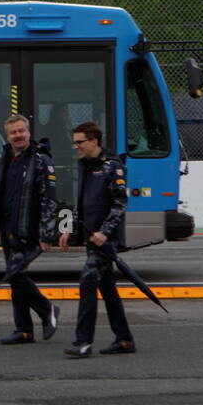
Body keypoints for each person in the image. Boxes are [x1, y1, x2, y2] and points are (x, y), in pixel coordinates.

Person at [59, 121, 135, 357]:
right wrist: (69, 227)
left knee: (87, 283)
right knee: (108, 288)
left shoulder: (113, 166)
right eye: (74, 143)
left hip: (104, 239)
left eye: (80, 142)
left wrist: (105, 232)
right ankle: (124, 339)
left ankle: (83, 342)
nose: (76, 147)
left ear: (94, 141)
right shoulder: (85, 166)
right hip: (91, 237)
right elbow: (79, 201)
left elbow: (120, 203)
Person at [0, 114, 59, 344]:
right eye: (13, 132)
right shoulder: (7, 158)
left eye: (21, 131)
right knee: (16, 277)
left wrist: (46, 233)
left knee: (15, 274)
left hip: (27, 229)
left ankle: (47, 310)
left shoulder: (41, 160)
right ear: (7, 136)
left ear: (29, 132)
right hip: (7, 229)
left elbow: (49, 200)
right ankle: (24, 329)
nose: (18, 136)